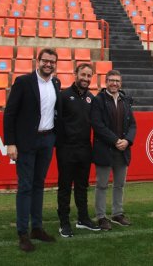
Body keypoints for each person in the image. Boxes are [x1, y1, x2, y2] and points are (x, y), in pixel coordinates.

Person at [3, 48, 61, 252]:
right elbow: (9, 114)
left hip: (47, 140)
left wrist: (54, 137)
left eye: (52, 62)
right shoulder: (23, 82)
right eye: (45, 60)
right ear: (38, 61)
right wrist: (10, 143)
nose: (48, 64)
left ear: (56, 64)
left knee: (39, 185)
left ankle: (37, 228)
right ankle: (23, 233)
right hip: (27, 142)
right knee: (25, 186)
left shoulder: (56, 83)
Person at [56, 63, 100, 237]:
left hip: (84, 150)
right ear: (76, 74)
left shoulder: (91, 98)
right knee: (65, 187)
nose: (86, 79)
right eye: (83, 75)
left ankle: (83, 219)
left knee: (82, 186)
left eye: (89, 76)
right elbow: (57, 122)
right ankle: (64, 223)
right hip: (66, 150)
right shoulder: (64, 96)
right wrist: (61, 145)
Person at [91, 70, 137, 230]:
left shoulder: (125, 100)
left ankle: (117, 214)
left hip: (122, 150)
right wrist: (115, 140)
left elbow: (132, 124)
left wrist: (127, 140)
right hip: (104, 149)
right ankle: (101, 216)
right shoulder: (98, 100)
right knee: (102, 185)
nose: (114, 83)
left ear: (120, 83)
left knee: (119, 184)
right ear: (106, 81)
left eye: (117, 81)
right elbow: (97, 125)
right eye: (111, 80)